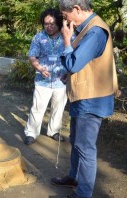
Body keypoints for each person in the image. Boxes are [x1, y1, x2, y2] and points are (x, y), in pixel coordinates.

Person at [50, 1, 119, 198]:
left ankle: (83, 193)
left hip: (92, 99)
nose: (64, 20)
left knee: (85, 148)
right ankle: (74, 177)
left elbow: (73, 63)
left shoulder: (96, 31)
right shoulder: (87, 29)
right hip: (84, 95)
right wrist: (69, 75)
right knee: (76, 141)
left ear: (77, 9)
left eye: (65, 15)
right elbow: (85, 63)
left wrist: (66, 40)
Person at [23, 8, 68, 145]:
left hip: (61, 81)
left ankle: (53, 131)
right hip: (42, 80)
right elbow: (32, 56)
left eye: (51, 24)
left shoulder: (66, 36)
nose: (48, 27)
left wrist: (70, 73)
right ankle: (31, 132)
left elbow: (73, 55)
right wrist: (40, 68)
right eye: (45, 24)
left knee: (58, 108)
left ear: (58, 23)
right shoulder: (39, 37)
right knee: (37, 108)